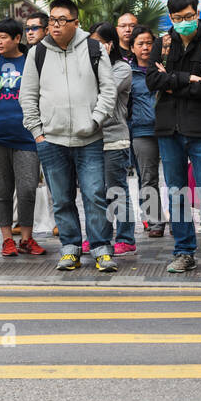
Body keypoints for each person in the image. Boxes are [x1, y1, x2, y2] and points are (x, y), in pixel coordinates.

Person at [19, 0, 119, 272]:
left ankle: (101, 248)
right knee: (62, 199)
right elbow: (27, 96)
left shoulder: (93, 48)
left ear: (76, 23)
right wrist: (38, 132)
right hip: (51, 140)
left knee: (95, 195)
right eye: (52, 20)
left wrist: (96, 121)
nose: (55, 25)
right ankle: (70, 248)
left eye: (62, 20)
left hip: (90, 139)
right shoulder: (37, 53)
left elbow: (108, 91)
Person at [148, 0, 201, 276]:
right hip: (168, 128)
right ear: (171, 18)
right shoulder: (163, 43)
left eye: (190, 17)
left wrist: (171, 81)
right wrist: (187, 78)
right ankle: (183, 252)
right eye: (179, 18)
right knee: (177, 193)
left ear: (198, 14)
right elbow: (152, 80)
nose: (185, 22)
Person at [0, 18, 45, 257]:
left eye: (4, 37)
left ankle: (27, 239)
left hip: (27, 137)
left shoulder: (32, 60)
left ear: (16, 39)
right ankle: (7, 239)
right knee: (2, 191)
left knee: (28, 189)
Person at [89, 23, 136, 254]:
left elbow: (102, 93)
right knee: (95, 191)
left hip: (114, 138)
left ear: (110, 45)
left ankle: (126, 237)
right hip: (92, 138)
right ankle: (99, 236)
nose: (93, 47)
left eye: (99, 42)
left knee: (116, 190)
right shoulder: (88, 67)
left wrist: (101, 62)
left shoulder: (121, 69)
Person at [129, 27, 165, 238]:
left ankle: (181, 220)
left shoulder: (164, 68)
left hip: (169, 129)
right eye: (140, 44)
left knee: (172, 176)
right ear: (132, 48)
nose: (145, 47)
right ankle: (155, 222)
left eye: (149, 43)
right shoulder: (128, 74)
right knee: (148, 177)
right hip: (141, 131)